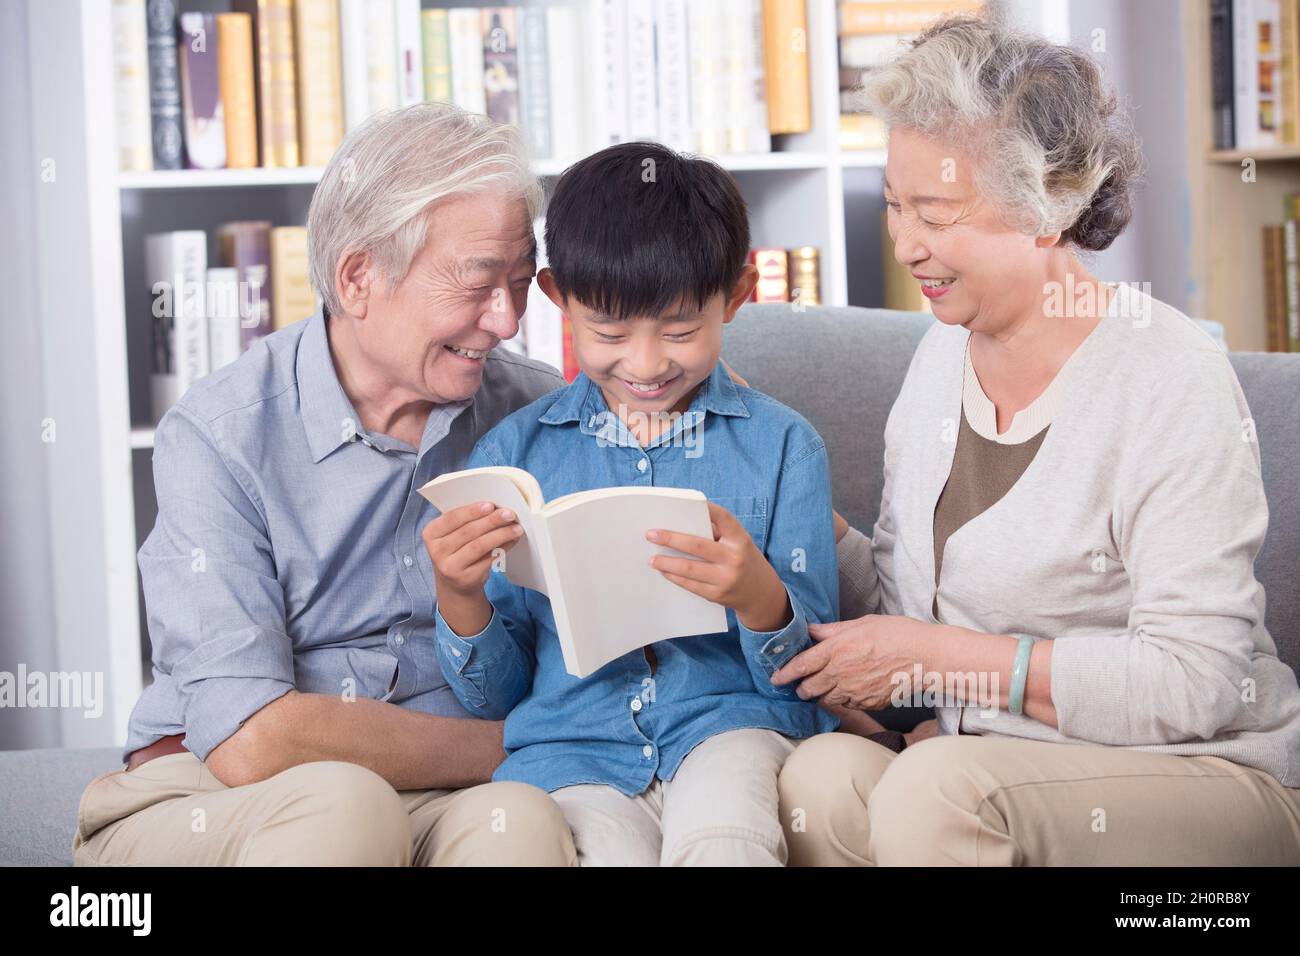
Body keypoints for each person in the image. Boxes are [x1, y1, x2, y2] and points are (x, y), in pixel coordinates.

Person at [775, 14, 1300, 866]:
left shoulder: (1167, 377)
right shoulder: (939, 358)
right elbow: (911, 617)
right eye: (897, 204)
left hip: (1201, 771)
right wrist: (793, 513)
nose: (907, 244)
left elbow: (1196, 681)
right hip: (991, 763)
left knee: (932, 790)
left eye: (937, 213)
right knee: (820, 780)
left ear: (1046, 208)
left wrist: (954, 666)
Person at [73, 104, 576, 866]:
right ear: (358, 276)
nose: (505, 321)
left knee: (524, 825)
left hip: (451, 793)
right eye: (478, 285)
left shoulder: (534, 411)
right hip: (219, 792)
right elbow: (250, 738)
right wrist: (528, 738)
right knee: (346, 808)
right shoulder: (219, 433)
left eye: (519, 284)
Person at [422, 142, 848, 866]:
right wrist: (460, 598)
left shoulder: (784, 447)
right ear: (558, 300)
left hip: (729, 726)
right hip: (573, 753)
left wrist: (759, 598)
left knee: (725, 837)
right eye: (610, 334)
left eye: (680, 332)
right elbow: (494, 697)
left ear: (738, 295)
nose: (646, 364)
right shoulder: (513, 456)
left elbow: (816, 667)